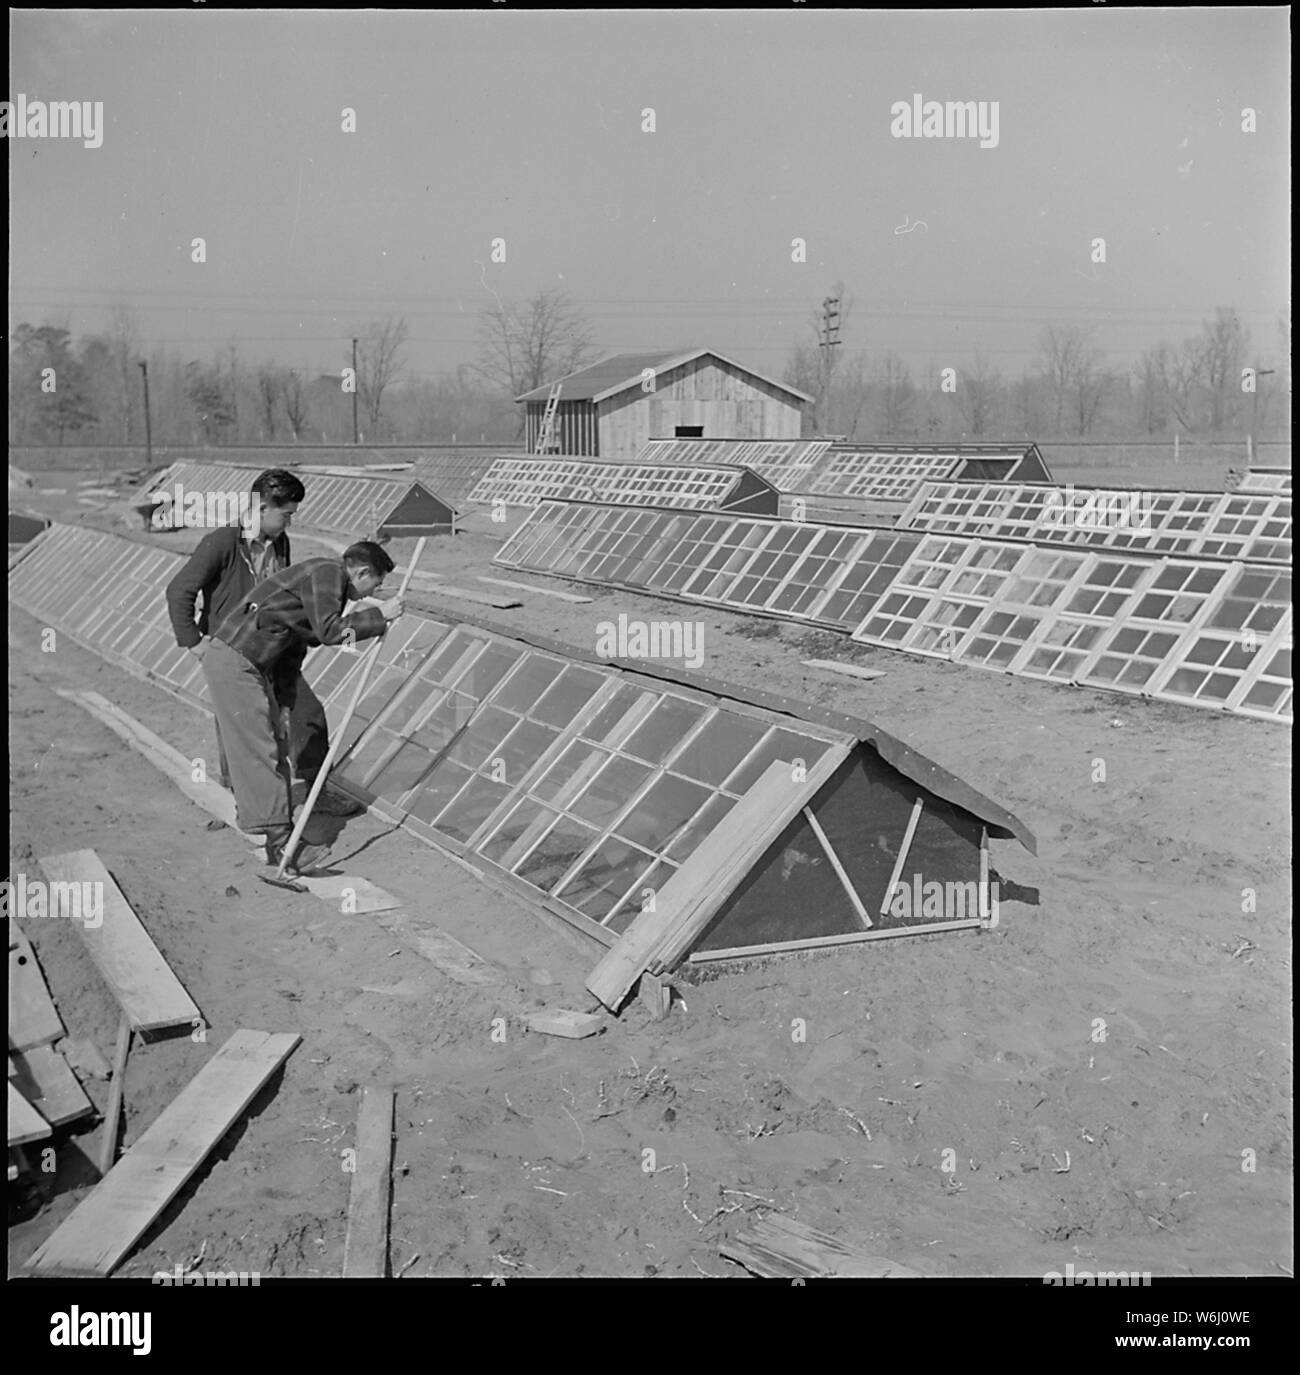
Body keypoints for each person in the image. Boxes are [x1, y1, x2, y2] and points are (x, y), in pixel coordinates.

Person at [164, 468, 360, 817]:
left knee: (306, 712)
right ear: (263, 507)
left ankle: (317, 791)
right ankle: (242, 802)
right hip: (234, 650)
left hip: (273, 649)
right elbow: (179, 590)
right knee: (240, 726)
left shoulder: (280, 543)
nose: (289, 522)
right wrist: (193, 642)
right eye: (286, 514)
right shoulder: (223, 542)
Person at [205, 541, 403, 875]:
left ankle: (268, 826)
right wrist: (378, 617)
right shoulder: (329, 573)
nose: (375, 591)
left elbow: (311, 635)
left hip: (248, 661)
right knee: (258, 749)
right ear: (362, 572)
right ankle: (283, 844)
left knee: (272, 744)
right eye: (377, 584)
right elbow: (329, 632)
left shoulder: (323, 578)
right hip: (237, 661)